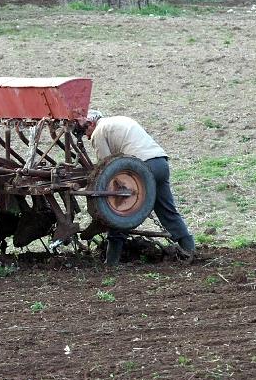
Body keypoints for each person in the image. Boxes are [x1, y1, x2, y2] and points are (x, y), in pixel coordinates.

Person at [83, 111, 195, 265]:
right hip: (160, 163)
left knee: (120, 213)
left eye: (85, 131)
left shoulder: (98, 132)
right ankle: (190, 250)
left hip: (141, 168)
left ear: (91, 123)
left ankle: (111, 262)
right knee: (167, 210)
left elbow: (106, 167)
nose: (87, 136)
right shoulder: (119, 120)